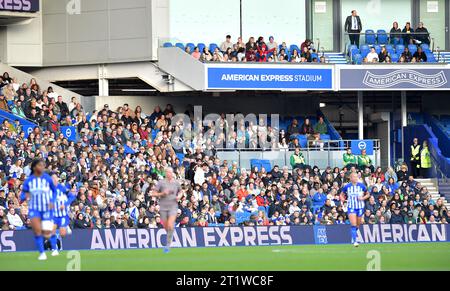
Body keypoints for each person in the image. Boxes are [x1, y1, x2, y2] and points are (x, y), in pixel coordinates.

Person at [20, 158, 57, 260]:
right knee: (37, 231)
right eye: (40, 165)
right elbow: (23, 195)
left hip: (45, 208)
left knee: (46, 233)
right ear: (34, 167)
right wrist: (26, 196)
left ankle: (54, 247)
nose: (42, 167)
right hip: (34, 209)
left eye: (43, 165)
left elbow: (54, 191)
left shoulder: (47, 179)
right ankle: (42, 253)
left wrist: (52, 201)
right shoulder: (29, 181)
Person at [151, 167, 182, 253]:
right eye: (167, 172)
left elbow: (181, 191)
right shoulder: (161, 182)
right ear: (165, 173)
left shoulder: (176, 183)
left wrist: (179, 196)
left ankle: (168, 245)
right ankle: (170, 235)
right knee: (166, 226)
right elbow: (153, 193)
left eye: (170, 172)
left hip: (173, 206)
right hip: (163, 206)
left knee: (170, 224)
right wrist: (162, 193)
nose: (169, 174)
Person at [341, 172, 370, 247]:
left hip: (360, 207)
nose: (355, 178)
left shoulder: (362, 186)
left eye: (356, 177)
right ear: (350, 178)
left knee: (357, 225)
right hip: (351, 207)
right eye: (354, 177)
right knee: (353, 224)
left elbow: (368, 194)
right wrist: (343, 200)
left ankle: (353, 234)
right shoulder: (347, 186)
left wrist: (362, 198)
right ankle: (355, 241)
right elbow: (341, 194)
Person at [51, 173, 76, 253]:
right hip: (54, 215)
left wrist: (64, 205)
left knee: (62, 234)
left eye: (55, 178)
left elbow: (72, 197)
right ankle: (54, 249)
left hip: (62, 214)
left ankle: (66, 227)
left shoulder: (62, 188)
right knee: (52, 231)